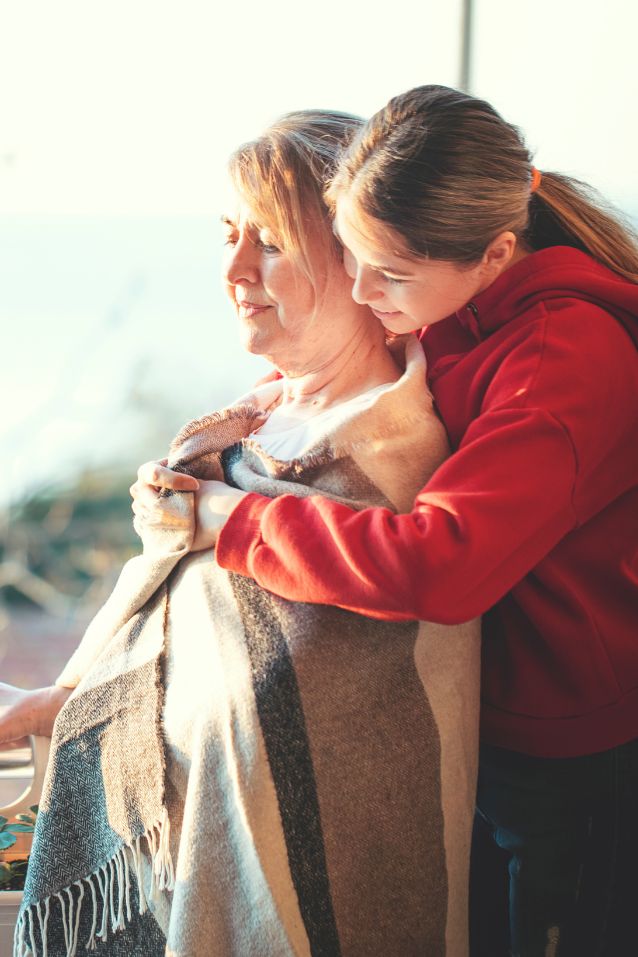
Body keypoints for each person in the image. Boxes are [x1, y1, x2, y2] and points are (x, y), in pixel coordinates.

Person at [135, 86, 638, 957]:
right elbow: (355, 374)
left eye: (390, 274)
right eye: (352, 258)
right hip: (492, 726)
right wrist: (254, 420)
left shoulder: (568, 356)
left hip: (578, 756)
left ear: (496, 253)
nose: (364, 292)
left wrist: (236, 520)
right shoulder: (453, 303)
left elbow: (440, 565)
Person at [4, 109, 480, 957]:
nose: (233, 269)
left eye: (269, 241)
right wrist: (66, 702)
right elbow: (179, 642)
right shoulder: (242, 438)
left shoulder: (396, 467)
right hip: (182, 874)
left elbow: (304, 721)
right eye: (230, 235)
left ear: (361, 264)